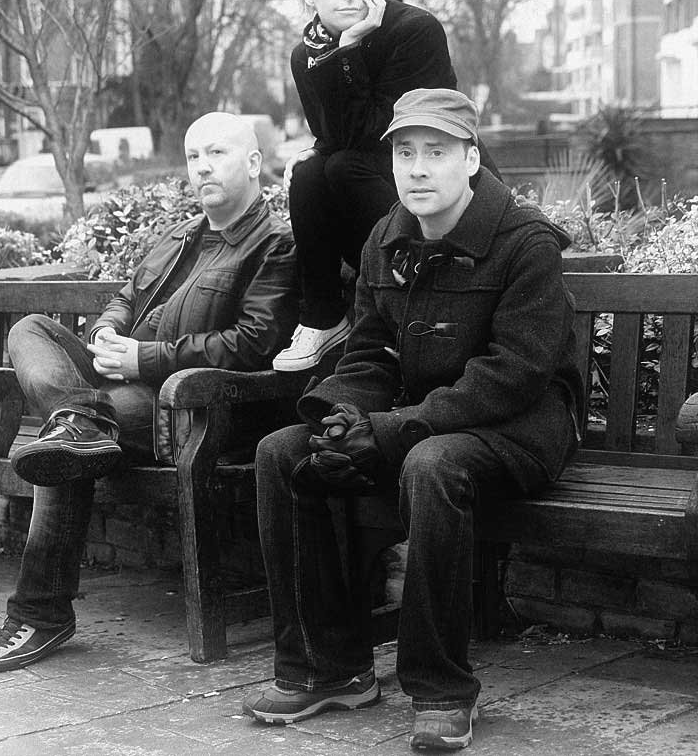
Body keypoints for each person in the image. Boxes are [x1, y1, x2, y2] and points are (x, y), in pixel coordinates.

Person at [244, 89, 583, 751]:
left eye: (437, 152)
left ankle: (441, 689)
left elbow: (514, 372)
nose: (418, 169)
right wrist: (339, 418)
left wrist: (396, 429)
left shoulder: (525, 241)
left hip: (521, 427)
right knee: (283, 452)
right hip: (426, 421)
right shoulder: (387, 238)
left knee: (431, 465)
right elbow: (371, 352)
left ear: (471, 158)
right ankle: (326, 668)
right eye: (405, 153)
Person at [0, 112, 298, 675]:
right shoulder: (180, 235)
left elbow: (251, 343)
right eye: (193, 157)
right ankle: (81, 422)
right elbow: (125, 298)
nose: (202, 167)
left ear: (252, 163)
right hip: (115, 387)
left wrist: (143, 358)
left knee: (67, 446)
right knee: (31, 331)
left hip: (185, 405)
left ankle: (40, 613)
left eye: (216, 153)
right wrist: (104, 334)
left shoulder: (276, 245)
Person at [272, 0, 498, 373]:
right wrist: (315, 150)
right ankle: (322, 319)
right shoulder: (307, 56)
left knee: (340, 167)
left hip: (441, 184)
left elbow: (388, 133)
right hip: (373, 183)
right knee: (310, 174)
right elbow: (335, 134)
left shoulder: (414, 31)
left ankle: (411, 287)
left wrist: (349, 50)